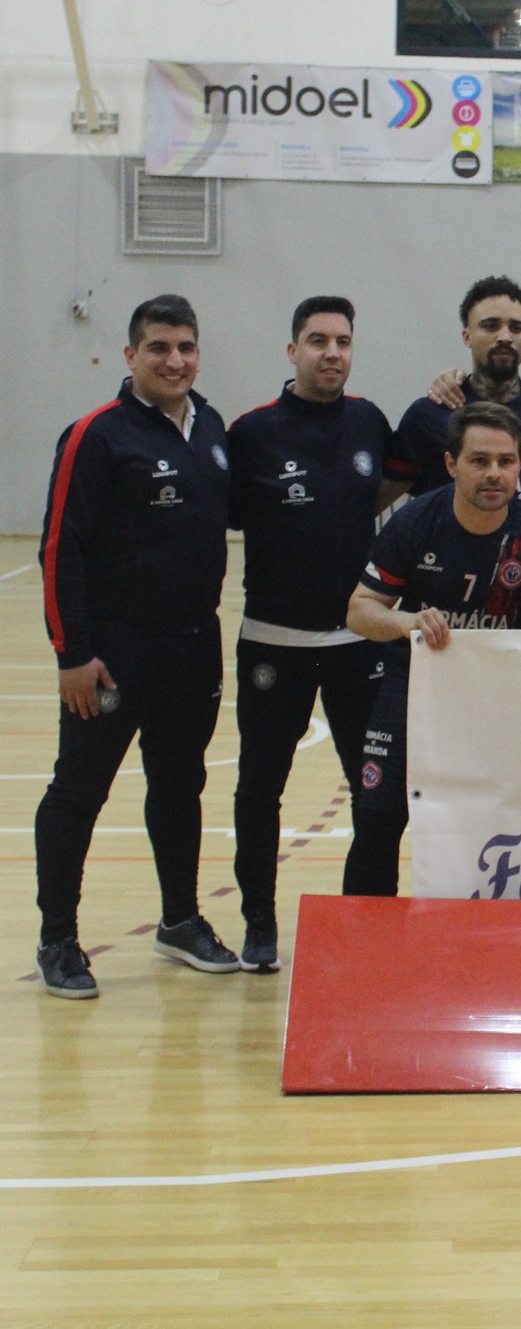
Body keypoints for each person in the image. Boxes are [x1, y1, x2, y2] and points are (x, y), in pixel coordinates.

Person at [34, 296, 237, 996]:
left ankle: (179, 920)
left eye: (186, 346)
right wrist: (72, 654)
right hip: (113, 653)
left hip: (193, 648)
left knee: (180, 786)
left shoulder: (209, 427)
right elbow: (60, 550)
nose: (174, 360)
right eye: (158, 347)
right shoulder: (96, 435)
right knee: (78, 792)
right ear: (130, 356)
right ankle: (58, 938)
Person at [226, 296, 409, 972]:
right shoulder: (251, 434)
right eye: (317, 340)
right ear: (292, 349)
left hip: (358, 648)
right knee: (258, 788)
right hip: (273, 645)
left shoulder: (368, 421)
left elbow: (384, 495)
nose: (331, 352)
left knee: (375, 791)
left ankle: (368, 919)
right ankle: (258, 926)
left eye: (342, 340)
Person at [345, 404, 521, 896]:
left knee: (488, 828)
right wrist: (407, 621)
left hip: (496, 706)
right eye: (479, 461)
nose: (494, 473)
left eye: (506, 461)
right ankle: (365, 959)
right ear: (452, 464)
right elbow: (359, 611)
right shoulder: (416, 523)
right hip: (414, 694)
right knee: (376, 821)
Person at [389, 275, 521, 518]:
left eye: (516, 327)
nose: (505, 336)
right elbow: (381, 498)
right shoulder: (429, 415)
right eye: (491, 326)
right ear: (467, 336)